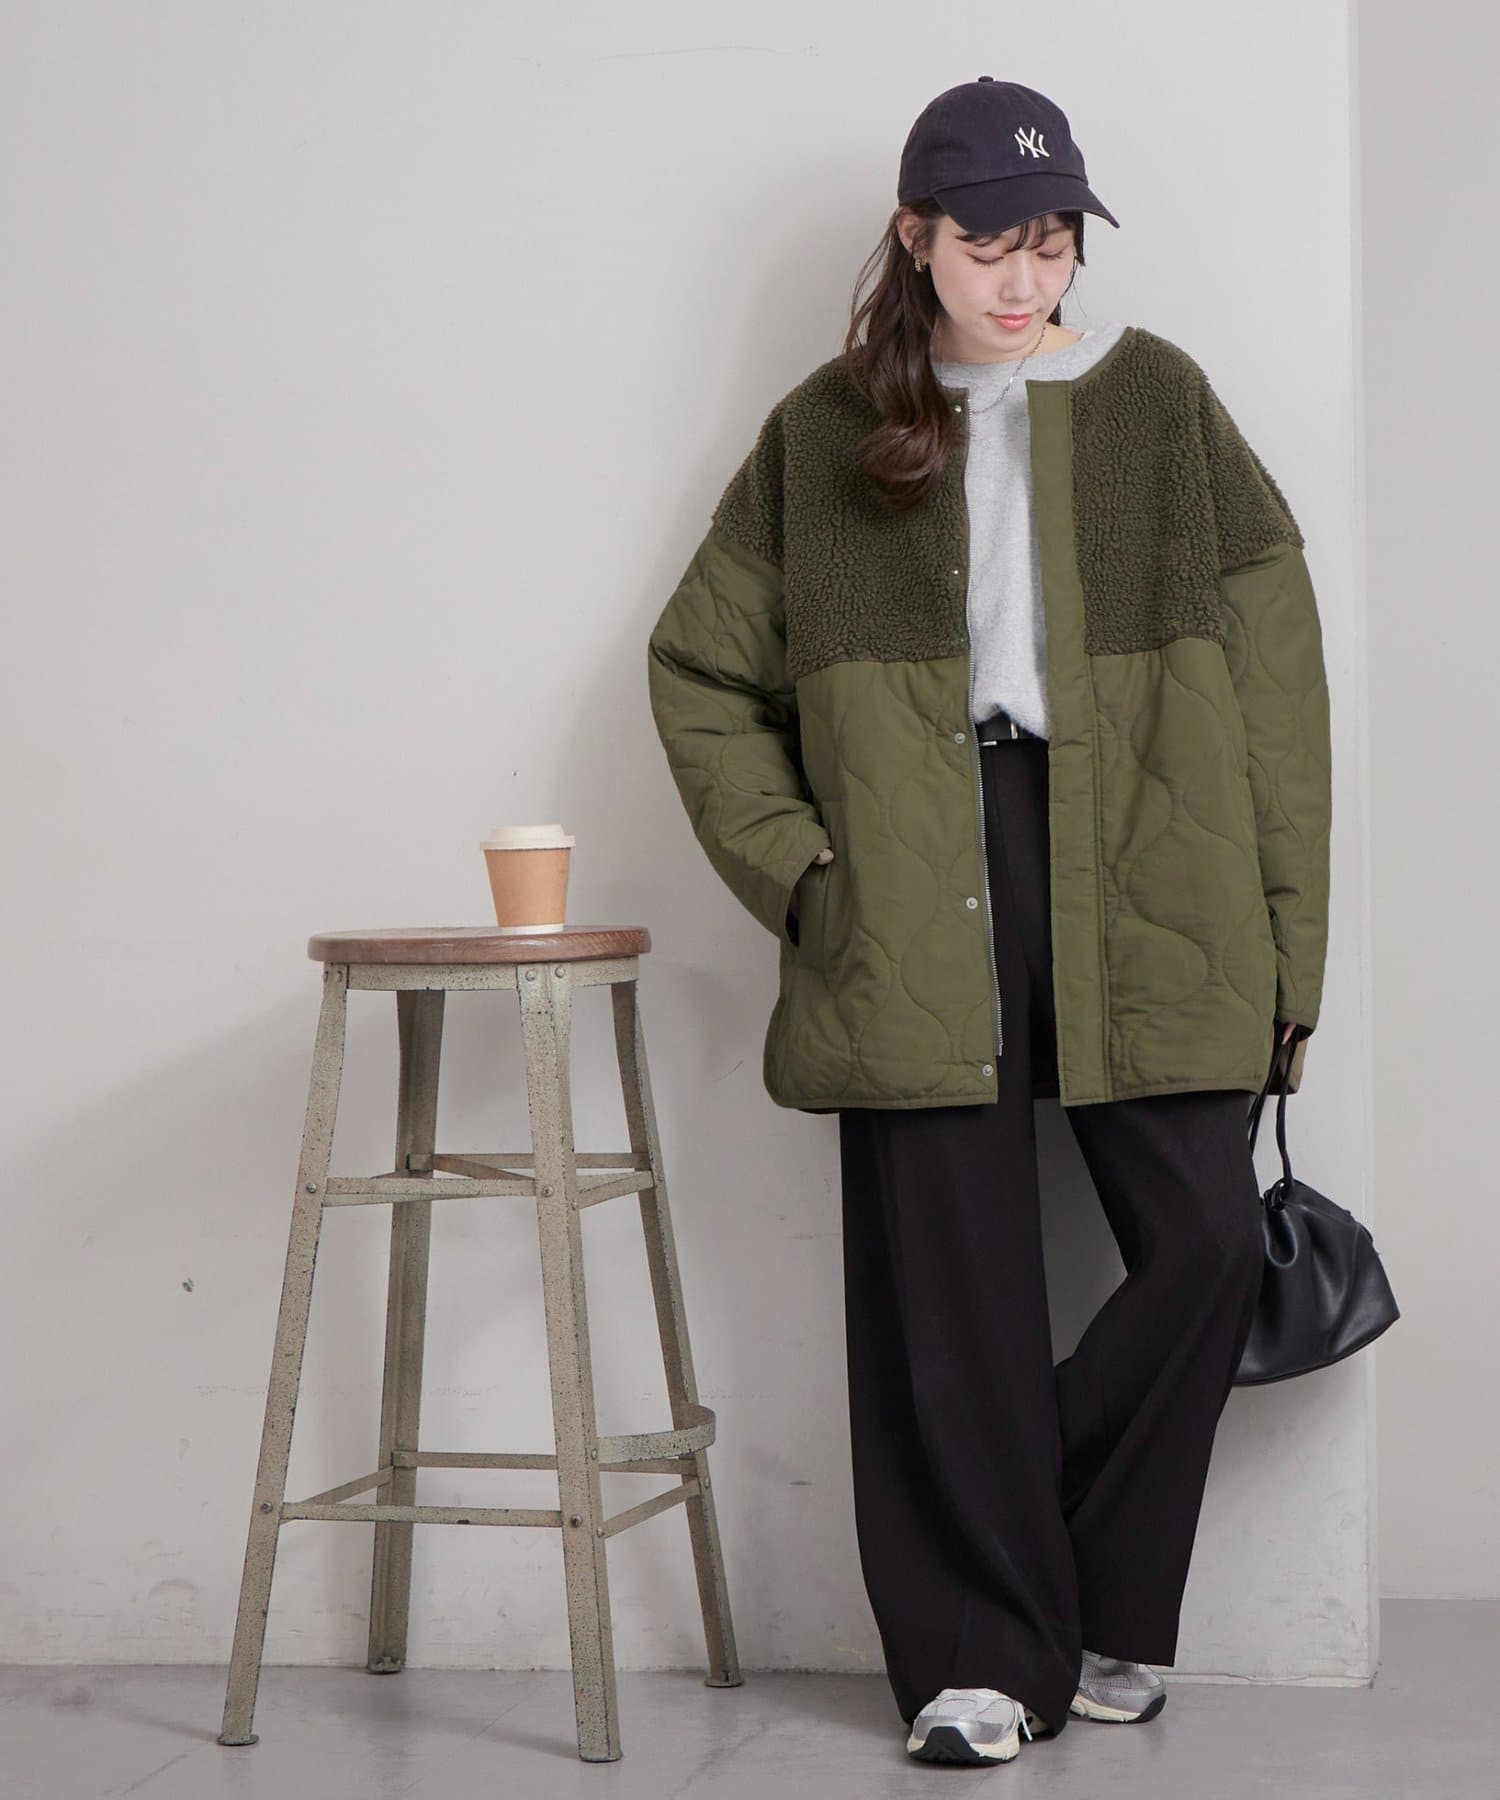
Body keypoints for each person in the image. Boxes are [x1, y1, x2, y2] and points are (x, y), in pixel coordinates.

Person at [646, 75, 1331, 1768]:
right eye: (986, 246)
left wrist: (1291, 945)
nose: (1023, 281)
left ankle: (1094, 1598)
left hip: (1152, 865)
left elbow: (1280, 696)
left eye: (1050, 243)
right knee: (944, 1292)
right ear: (915, 238)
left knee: (1205, 1247)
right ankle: (976, 1662)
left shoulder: (1162, 404)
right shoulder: (827, 434)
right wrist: (805, 874)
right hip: (909, 873)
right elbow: (699, 671)